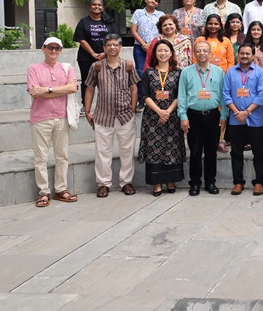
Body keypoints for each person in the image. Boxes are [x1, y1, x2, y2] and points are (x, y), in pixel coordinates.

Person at [84, 33, 139, 198]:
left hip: (125, 115)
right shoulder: (97, 67)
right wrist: (87, 110)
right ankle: (103, 184)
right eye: (109, 45)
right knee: (102, 151)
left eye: (116, 45)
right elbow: (90, 88)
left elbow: (134, 87)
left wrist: (133, 107)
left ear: (121, 47)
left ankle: (126, 182)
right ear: (104, 48)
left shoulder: (128, 65)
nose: (112, 47)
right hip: (103, 115)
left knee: (127, 150)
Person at [27, 37, 79, 207]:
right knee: (40, 157)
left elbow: (72, 88)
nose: (54, 51)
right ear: (43, 49)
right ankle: (43, 192)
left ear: (61, 51)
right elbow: (34, 92)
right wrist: (60, 90)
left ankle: (60, 189)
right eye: (50, 48)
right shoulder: (33, 68)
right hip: (40, 118)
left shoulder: (67, 68)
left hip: (61, 116)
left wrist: (47, 90)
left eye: (57, 48)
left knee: (62, 156)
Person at [178, 40, 228, 196]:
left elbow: (223, 94)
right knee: (195, 151)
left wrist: (224, 114)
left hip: (213, 115)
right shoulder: (186, 72)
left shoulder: (219, 72)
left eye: (204, 51)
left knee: (211, 151)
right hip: (193, 116)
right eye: (198, 51)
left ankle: (210, 182)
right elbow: (182, 96)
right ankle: (195, 183)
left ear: (210, 53)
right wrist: (183, 116)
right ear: (194, 53)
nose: (201, 53)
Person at [138, 38, 185, 196]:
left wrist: (168, 112)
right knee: (154, 148)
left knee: (172, 149)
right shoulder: (149, 72)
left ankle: (171, 181)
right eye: (159, 51)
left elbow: (180, 95)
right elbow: (144, 95)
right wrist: (159, 111)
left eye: (166, 50)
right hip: (153, 117)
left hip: (172, 117)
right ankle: (157, 183)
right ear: (154, 53)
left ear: (171, 53)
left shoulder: (178, 73)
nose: (163, 53)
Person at [223, 43, 263, 196]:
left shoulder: (260, 73)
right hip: (236, 120)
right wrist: (238, 113)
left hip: (256, 120)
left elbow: (262, 95)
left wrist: (247, 112)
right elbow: (226, 94)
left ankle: (259, 182)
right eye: (242, 53)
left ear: (253, 55)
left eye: (247, 53)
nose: (244, 56)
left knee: (259, 153)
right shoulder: (230, 72)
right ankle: (238, 182)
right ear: (238, 55)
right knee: (236, 153)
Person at [73, 0, 117, 108]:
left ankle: (107, 105)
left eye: (99, 5)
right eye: (94, 4)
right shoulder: (83, 22)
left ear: (102, 8)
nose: (96, 6)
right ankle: (85, 105)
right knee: (87, 82)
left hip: (107, 57)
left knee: (107, 82)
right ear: (90, 7)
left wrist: (105, 53)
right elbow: (81, 39)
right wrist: (93, 53)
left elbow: (115, 38)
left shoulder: (109, 22)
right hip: (86, 57)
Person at [130, 0, 163, 105]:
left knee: (154, 73)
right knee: (140, 73)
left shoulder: (160, 15)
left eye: (156, 0)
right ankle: (141, 99)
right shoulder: (138, 13)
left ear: (157, 4)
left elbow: (163, 31)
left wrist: (151, 45)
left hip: (155, 48)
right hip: (140, 48)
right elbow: (133, 30)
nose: (153, 1)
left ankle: (154, 98)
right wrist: (144, 44)